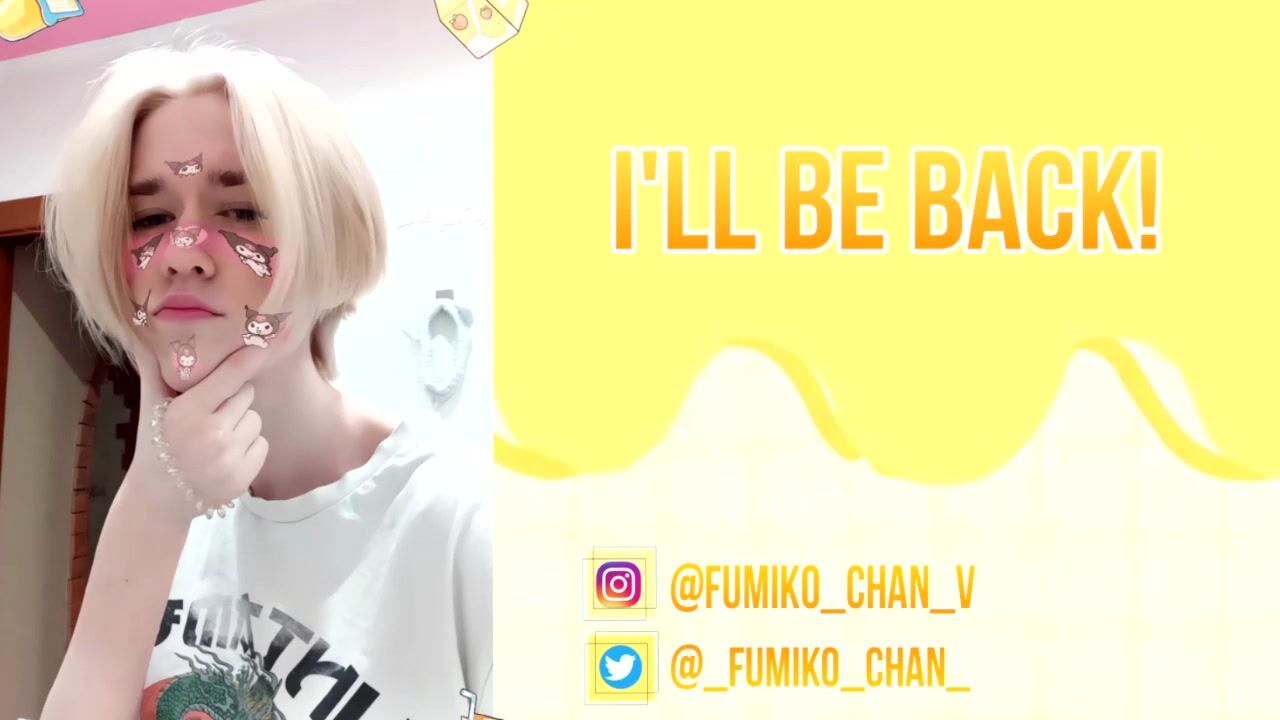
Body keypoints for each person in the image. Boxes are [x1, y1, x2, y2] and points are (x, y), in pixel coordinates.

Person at [38, 40, 493, 719]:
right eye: (150, 219)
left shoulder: (467, 521)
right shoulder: (165, 503)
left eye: (242, 209)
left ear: (329, 236)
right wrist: (151, 506)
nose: (182, 254)